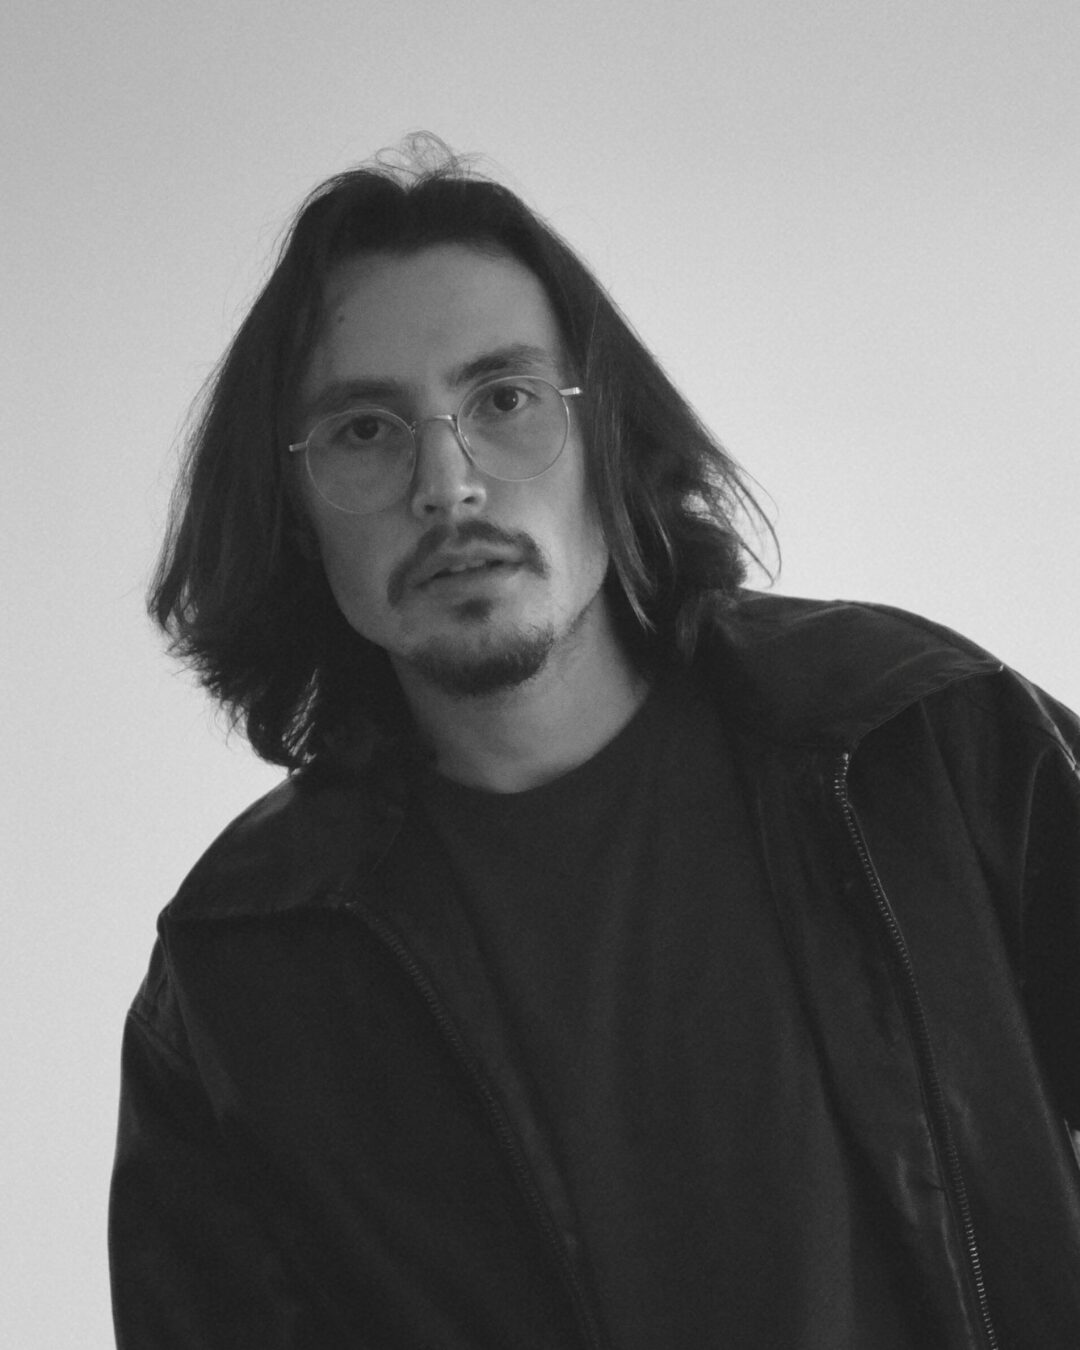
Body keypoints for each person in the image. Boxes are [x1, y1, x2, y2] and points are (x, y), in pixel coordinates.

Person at [109, 137, 1080, 1349]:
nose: (448, 485)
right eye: (364, 430)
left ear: (607, 434)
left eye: (505, 400)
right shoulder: (236, 982)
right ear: (295, 514)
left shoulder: (916, 742)